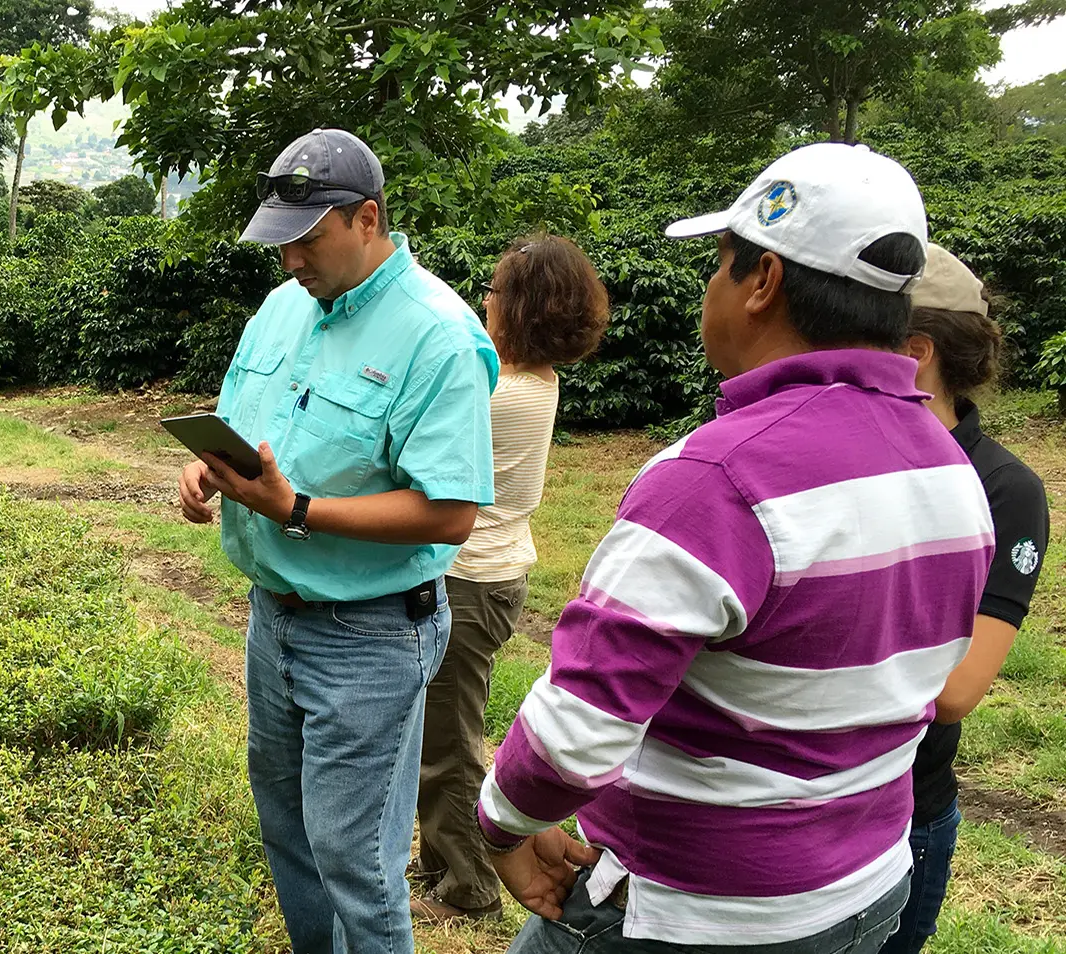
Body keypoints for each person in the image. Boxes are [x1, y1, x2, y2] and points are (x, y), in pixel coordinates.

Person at [474, 142, 995, 953]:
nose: (711, 287)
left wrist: (504, 826)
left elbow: (578, 727)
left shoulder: (715, 478)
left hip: (694, 912)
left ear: (764, 282)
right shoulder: (951, 468)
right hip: (863, 892)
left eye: (721, 264)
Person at [177, 127, 498, 954]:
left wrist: (296, 509)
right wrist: (211, 472)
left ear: (367, 217)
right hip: (272, 617)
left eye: (308, 240)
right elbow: (248, 428)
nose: (291, 262)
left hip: (371, 633)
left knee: (355, 857)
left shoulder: (438, 336)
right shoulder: (283, 308)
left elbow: (450, 512)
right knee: (289, 831)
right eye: (279, 243)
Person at [412, 234, 609, 923]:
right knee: (440, 733)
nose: (484, 303)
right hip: (484, 576)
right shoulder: (523, 378)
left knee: (449, 743)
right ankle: (442, 858)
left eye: (494, 293)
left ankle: (467, 887)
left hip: (472, 582)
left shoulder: (502, 392)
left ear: (519, 308)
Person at [879, 245, 1051, 954]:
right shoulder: (849, 457)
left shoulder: (1006, 490)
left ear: (916, 353)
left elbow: (955, 691)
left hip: (905, 810)